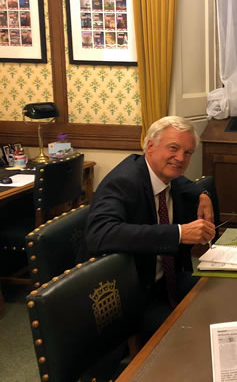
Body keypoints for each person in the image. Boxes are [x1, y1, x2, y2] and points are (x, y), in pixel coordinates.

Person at [86, 116, 216, 340]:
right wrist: (178, 233)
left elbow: (182, 181)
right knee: (193, 335)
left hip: (169, 280)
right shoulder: (123, 182)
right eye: (173, 148)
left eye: (187, 152)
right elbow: (100, 234)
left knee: (222, 297)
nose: (180, 158)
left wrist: (202, 194)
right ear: (150, 146)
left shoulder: (165, 175)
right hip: (134, 294)